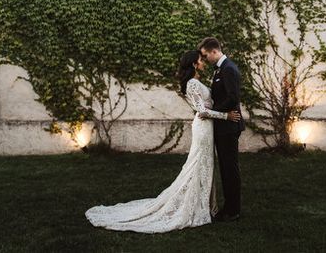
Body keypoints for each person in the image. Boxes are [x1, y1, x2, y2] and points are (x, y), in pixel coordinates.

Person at [84, 49, 241, 233]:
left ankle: (205, 203)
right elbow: (202, 111)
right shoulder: (191, 83)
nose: (204, 62)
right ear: (194, 64)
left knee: (206, 165)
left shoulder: (195, 81)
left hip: (208, 128)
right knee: (199, 164)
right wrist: (226, 116)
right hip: (203, 126)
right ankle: (194, 205)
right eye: (201, 60)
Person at [197, 36, 246, 222]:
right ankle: (229, 206)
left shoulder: (229, 69)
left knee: (229, 169)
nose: (205, 59)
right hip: (222, 126)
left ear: (214, 51)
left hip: (229, 127)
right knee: (225, 168)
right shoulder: (220, 69)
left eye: (205, 55)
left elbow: (233, 98)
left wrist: (211, 112)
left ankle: (233, 210)